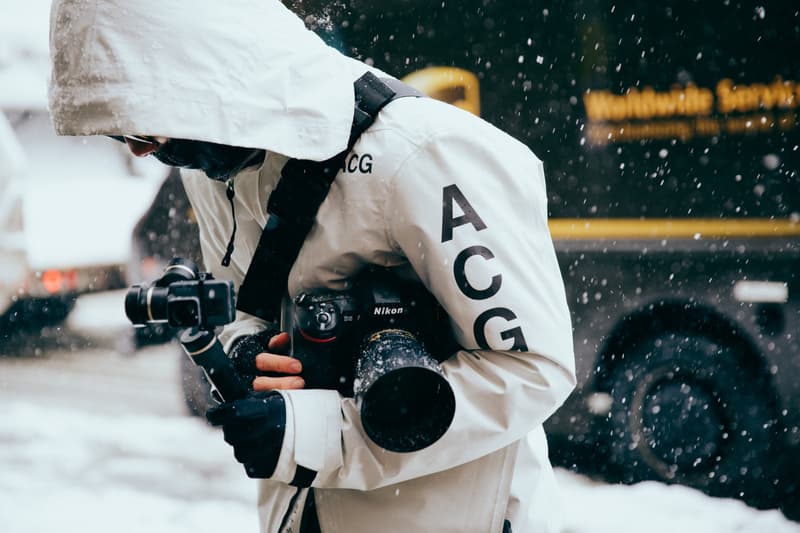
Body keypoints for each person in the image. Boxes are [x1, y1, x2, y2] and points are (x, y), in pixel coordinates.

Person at [48, 1, 577, 531]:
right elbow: (242, 306)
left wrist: (321, 436)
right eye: (121, 136)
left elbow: (533, 369)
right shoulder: (210, 166)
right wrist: (249, 351)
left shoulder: (428, 153)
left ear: (199, 74)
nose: (142, 151)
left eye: (141, 125)